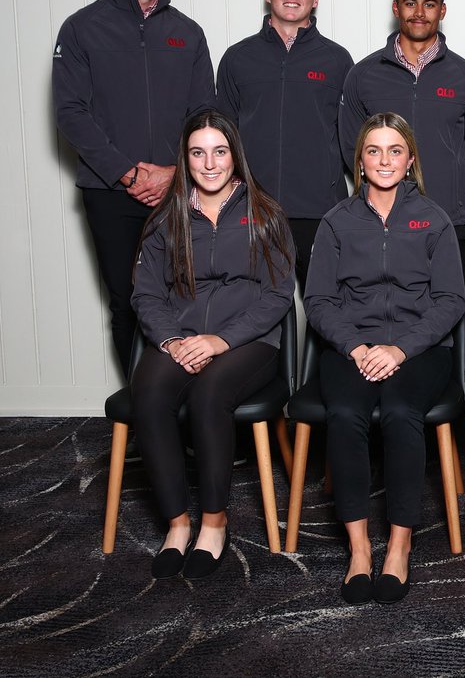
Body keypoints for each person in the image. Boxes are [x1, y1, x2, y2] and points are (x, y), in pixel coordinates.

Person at [305, 113, 465, 605]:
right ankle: (358, 550)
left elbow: (451, 300)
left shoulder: (434, 219)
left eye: (395, 150)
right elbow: (318, 300)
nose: (384, 160)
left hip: (419, 350)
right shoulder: (337, 221)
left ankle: (399, 545)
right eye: (373, 151)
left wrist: (400, 349)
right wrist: (357, 347)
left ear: (410, 159)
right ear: (359, 161)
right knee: (345, 412)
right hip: (351, 347)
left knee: (400, 411)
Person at [130, 110, 295, 580]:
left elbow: (278, 295)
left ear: (234, 156)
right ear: (185, 159)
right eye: (198, 153)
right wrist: (172, 340)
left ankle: (214, 522)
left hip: (248, 343)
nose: (209, 164)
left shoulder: (266, 214)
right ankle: (177, 524)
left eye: (219, 152)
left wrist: (221, 340)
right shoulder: (167, 218)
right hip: (181, 338)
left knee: (208, 396)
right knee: (149, 394)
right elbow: (146, 294)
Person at [54, 0, 215, 375]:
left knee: (191, 300)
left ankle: (190, 406)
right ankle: (141, 407)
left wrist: (174, 173)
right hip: (110, 193)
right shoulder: (82, 28)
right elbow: (70, 112)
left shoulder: (188, 33)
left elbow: (204, 114)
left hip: (179, 192)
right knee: (127, 302)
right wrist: (129, 173)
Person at [339, 0, 465, 285]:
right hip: (378, 223)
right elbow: (352, 147)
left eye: (429, 4)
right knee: (378, 307)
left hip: (447, 223)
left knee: (448, 309)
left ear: (442, 10)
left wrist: (448, 190)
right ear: (396, 8)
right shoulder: (363, 75)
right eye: (410, 3)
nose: (420, 13)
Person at [217, 0, 354, 288]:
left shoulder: (338, 60)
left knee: (326, 304)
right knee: (253, 306)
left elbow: (352, 138)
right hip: (253, 209)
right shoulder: (237, 58)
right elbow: (222, 137)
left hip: (319, 210)